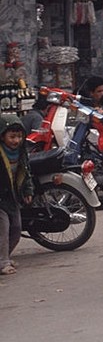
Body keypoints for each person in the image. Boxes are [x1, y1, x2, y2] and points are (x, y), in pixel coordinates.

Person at [0, 115, 33, 275]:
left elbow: (25, 173)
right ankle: (3, 262)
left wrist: (28, 191)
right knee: (3, 229)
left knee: (16, 228)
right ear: (2, 136)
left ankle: (4, 257)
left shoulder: (21, 152)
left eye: (19, 136)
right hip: (1, 199)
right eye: (12, 137)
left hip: (12, 197)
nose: (16, 140)